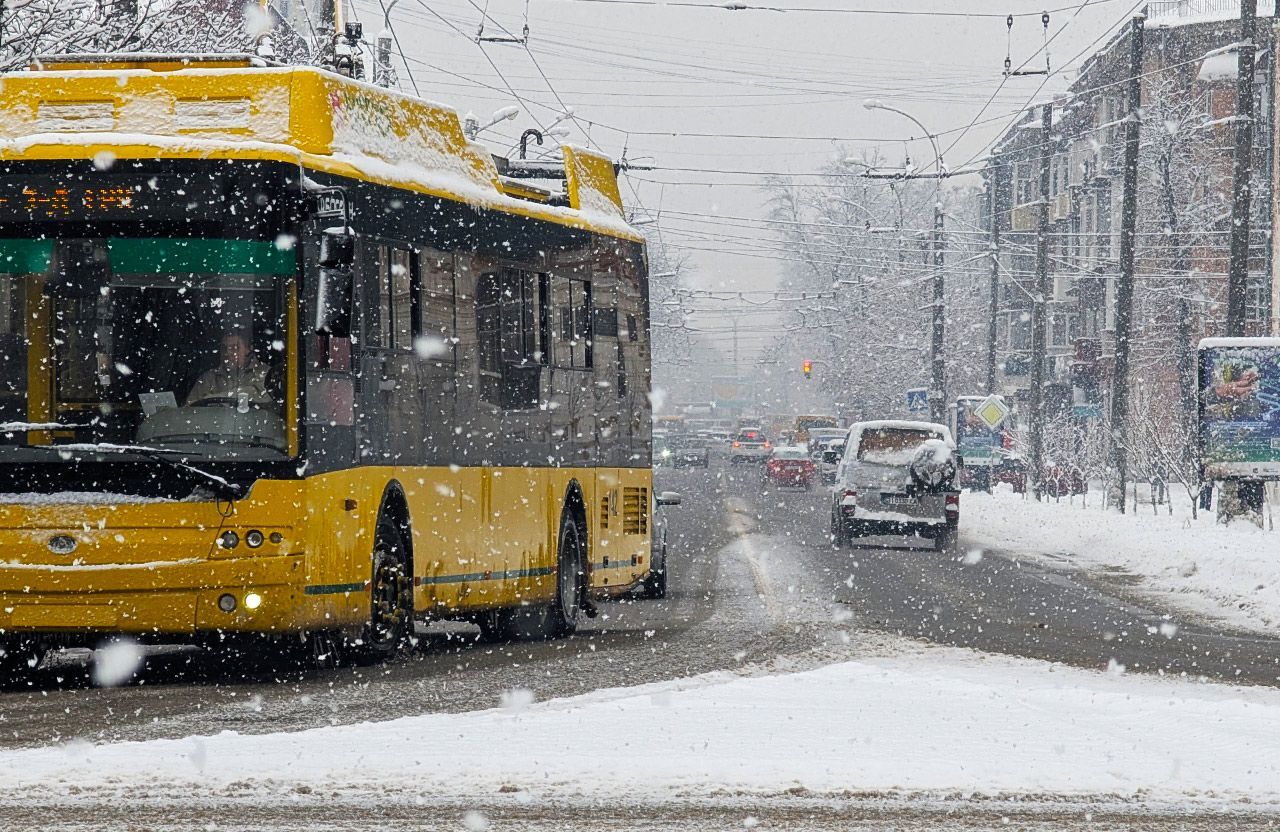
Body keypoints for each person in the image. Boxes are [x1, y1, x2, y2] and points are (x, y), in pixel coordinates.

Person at [185, 329, 275, 407]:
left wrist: (210, 398)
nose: (227, 353)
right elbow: (190, 411)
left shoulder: (268, 374)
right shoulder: (208, 379)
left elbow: (261, 396)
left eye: (234, 348)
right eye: (224, 348)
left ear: (249, 349)